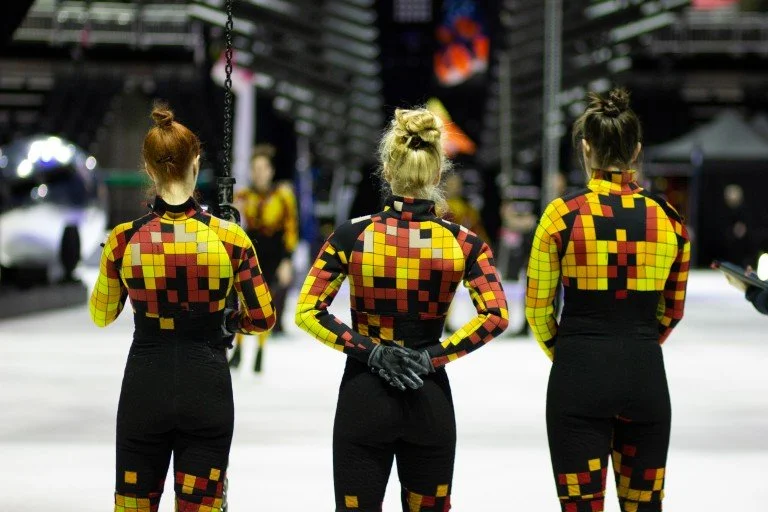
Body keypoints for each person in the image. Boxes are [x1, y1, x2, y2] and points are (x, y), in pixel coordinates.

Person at [295, 107, 508, 511]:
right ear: (438, 171)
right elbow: (496, 315)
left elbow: (308, 311)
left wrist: (371, 351)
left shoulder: (352, 235)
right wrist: (432, 358)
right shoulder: (464, 243)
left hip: (364, 397)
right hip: (428, 398)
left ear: (387, 168)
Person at [89, 104, 275, 512]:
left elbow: (102, 315)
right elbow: (263, 318)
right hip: (205, 384)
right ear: (196, 163)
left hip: (145, 385)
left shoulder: (123, 239)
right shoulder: (230, 238)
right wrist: (229, 321)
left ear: (149, 170)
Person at [525, 89, 691, 512]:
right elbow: (672, 310)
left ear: (585, 148)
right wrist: (636, 342)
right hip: (644, 373)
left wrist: (567, 352)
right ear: (636, 151)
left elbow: (537, 308)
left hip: (578, 373)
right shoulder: (668, 218)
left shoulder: (562, 215)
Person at [229, 143, 298, 371]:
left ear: (271, 171)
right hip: (251, 251)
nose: (259, 173)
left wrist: (287, 260)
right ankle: (238, 348)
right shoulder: (243, 195)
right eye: (255, 168)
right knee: (242, 300)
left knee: (267, 303)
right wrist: (234, 211)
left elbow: (290, 228)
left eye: (263, 168)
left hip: (274, 255)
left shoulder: (283, 196)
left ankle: (260, 351)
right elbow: (234, 228)